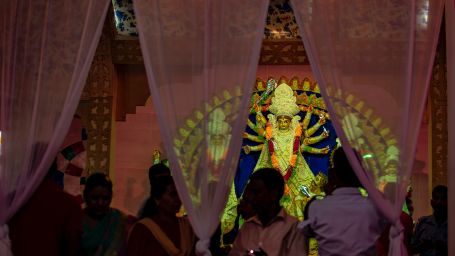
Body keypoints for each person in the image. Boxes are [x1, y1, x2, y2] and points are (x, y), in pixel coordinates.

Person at [242, 83, 330, 220]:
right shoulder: (271, 133)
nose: (283, 123)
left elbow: (301, 149)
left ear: (291, 121)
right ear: (276, 121)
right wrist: (258, 114)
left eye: (286, 121)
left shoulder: (296, 133)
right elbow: (265, 145)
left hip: (294, 172)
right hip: (273, 171)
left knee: (303, 199)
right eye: (280, 120)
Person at [300, 147, 384, 256]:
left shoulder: (316, 207)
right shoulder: (375, 207)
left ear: (332, 173)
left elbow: (304, 234)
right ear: (361, 174)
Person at [8, 160, 83, 256]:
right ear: (54, 169)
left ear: (27, 168)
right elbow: (73, 247)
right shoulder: (69, 204)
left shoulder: (12, 200)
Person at [229, 168, 307, 256]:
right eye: (250, 192)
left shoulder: (293, 228)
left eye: (257, 192)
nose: (251, 198)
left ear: (273, 195)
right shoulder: (247, 226)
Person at [127, 175, 196, 255]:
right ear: (157, 199)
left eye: (180, 194)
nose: (178, 199)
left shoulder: (187, 227)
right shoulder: (143, 228)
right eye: (173, 195)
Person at [81, 173, 131, 256]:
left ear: (111, 196)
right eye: (95, 198)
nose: (100, 203)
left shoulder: (120, 220)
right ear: (85, 196)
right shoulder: (75, 220)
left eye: (105, 198)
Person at [411, 185, 447, 255]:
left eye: (443, 198)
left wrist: (444, 247)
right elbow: (411, 249)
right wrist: (423, 246)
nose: (439, 202)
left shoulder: (452, 225)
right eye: (436, 198)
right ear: (431, 202)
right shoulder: (423, 223)